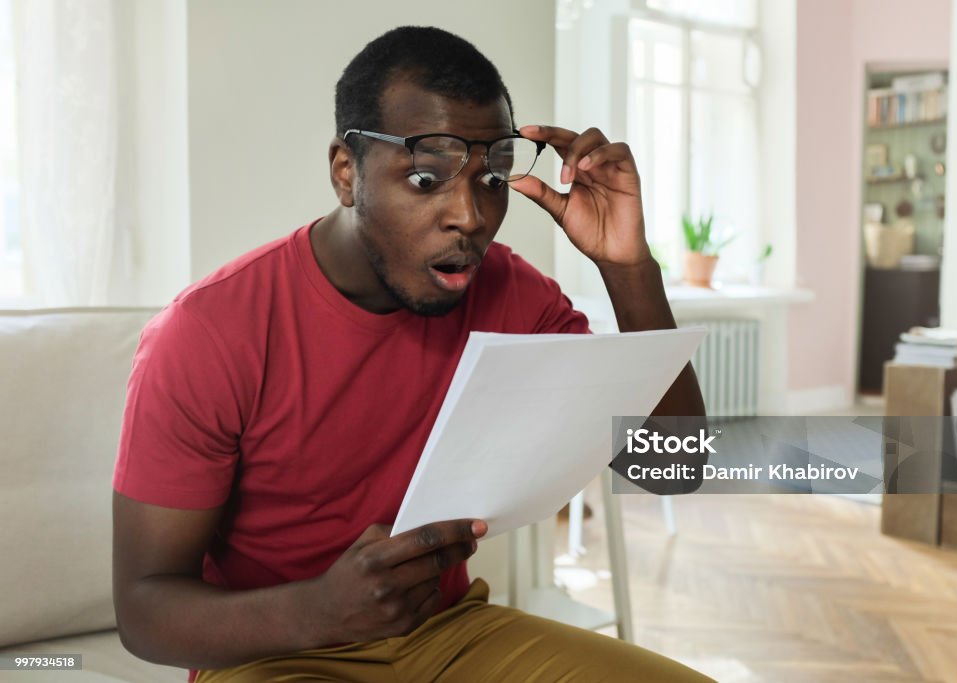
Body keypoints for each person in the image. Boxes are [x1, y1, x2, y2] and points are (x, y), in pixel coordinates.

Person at [112, 25, 711, 683]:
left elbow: (670, 467)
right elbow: (144, 610)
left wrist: (628, 266)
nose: (471, 214)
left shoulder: (513, 295)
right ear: (347, 172)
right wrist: (322, 611)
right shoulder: (207, 333)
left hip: (449, 634)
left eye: (491, 178)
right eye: (428, 177)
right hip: (273, 653)